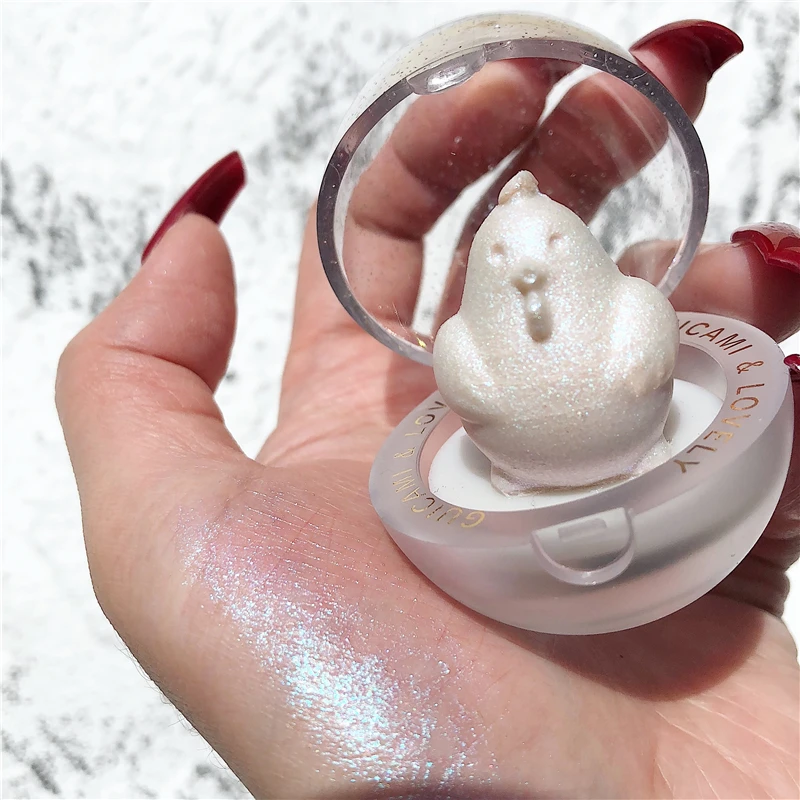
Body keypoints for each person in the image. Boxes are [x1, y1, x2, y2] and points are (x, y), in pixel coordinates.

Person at [56, 19, 800, 799]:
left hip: (656, 462)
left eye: (550, 248)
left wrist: (640, 359)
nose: (527, 273)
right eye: (503, 257)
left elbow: (641, 323)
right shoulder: (462, 346)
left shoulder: (632, 303)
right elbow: (468, 370)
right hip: (517, 490)